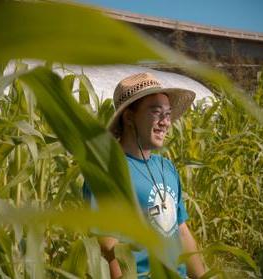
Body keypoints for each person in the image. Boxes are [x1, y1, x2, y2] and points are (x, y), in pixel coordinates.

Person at [83, 72, 205, 278]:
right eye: (156, 112)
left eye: (167, 114)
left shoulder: (167, 168)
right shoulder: (107, 172)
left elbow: (182, 232)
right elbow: (107, 246)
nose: (165, 122)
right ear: (129, 117)